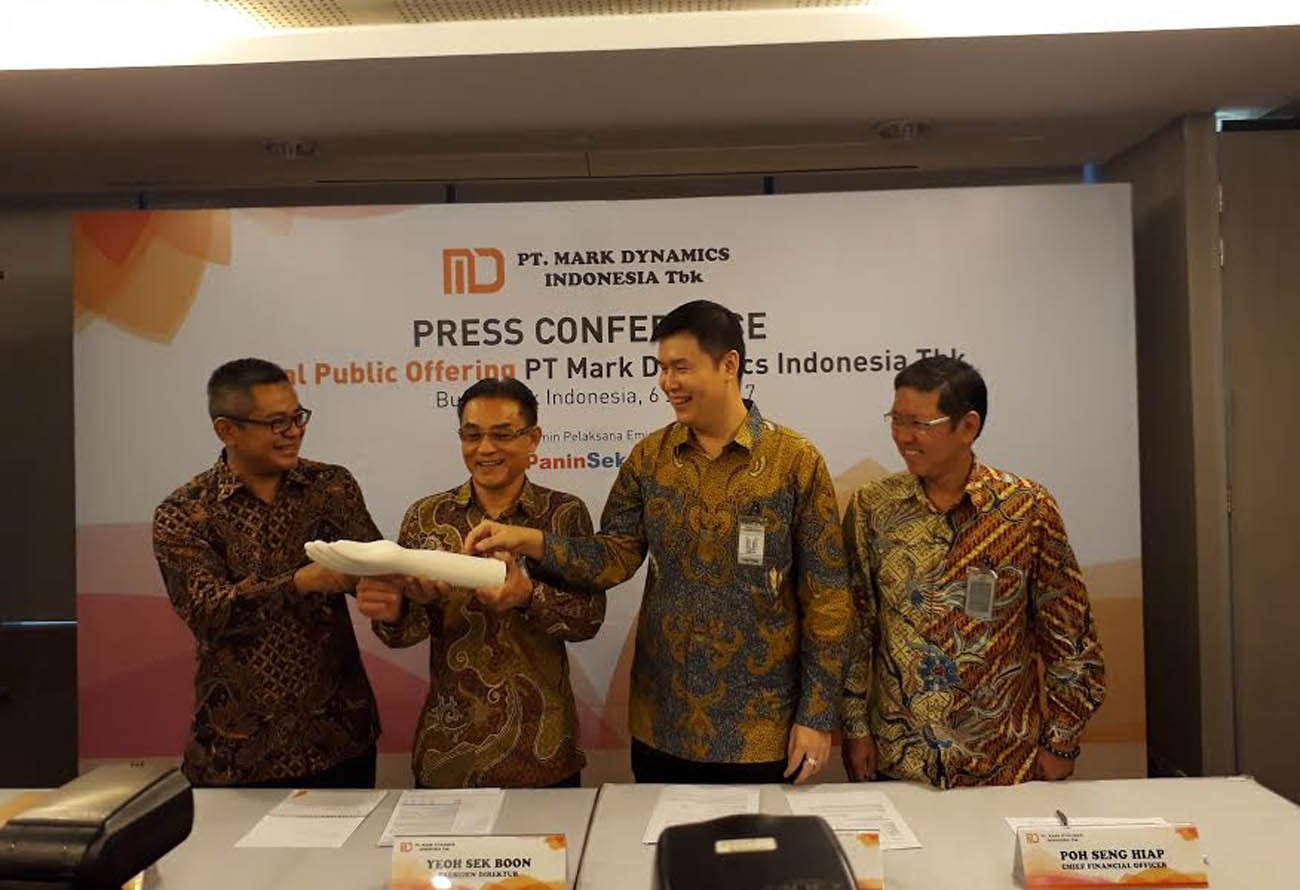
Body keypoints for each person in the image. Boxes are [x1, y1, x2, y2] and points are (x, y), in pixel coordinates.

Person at [465, 300, 852, 785]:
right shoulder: (650, 458)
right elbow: (612, 556)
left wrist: (816, 716)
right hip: (662, 725)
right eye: (662, 368)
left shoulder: (794, 462)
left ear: (728, 364)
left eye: (681, 367)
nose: (667, 382)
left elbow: (828, 600)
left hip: (763, 730)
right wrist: (532, 541)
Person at [840, 356, 1106, 787]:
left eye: (919, 424)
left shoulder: (1026, 510)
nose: (903, 437)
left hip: (1003, 762)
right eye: (896, 420)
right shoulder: (874, 508)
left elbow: (1070, 638)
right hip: (900, 760)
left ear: (967, 427)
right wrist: (855, 728)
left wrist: (1061, 742)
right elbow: (856, 629)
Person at [355, 378, 604, 788]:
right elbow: (398, 636)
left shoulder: (563, 515)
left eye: (502, 435)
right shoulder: (426, 517)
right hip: (449, 750)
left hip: (541, 752)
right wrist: (403, 608)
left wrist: (526, 596)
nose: (485, 449)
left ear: (533, 439)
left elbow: (588, 620)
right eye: (472, 435)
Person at [153, 358, 381, 787]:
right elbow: (207, 613)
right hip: (238, 753)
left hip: (339, 739)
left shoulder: (331, 487)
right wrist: (301, 583)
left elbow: (374, 568)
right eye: (277, 423)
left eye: (297, 417)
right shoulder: (184, 512)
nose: (293, 431)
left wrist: (390, 590)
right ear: (227, 430)